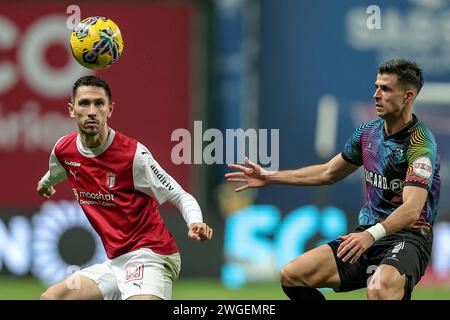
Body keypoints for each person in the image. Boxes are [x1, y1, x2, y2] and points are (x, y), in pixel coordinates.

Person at [225, 58, 440, 300]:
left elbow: (412, 208)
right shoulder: (368, 132)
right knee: (292, 275)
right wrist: (270, 176)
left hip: (408, 237)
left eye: (386, 89)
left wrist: (371, 235)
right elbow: (329, 172)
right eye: (376, 86)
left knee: (380, 289)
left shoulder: (420, 143)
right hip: (366, 234)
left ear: (408, 96)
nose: (376, 95)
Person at [37, 75, 213, 300]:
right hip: (115, 263)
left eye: (99, 104)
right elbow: (55, 172)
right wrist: (45, 185)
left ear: (110, 109)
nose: (92, 111)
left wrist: (195, 221)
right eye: (84, 103)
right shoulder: (63, 149)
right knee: (51, 298)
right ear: (72, 110)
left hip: (151, 255)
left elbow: (180, 195)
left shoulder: (133, 155)